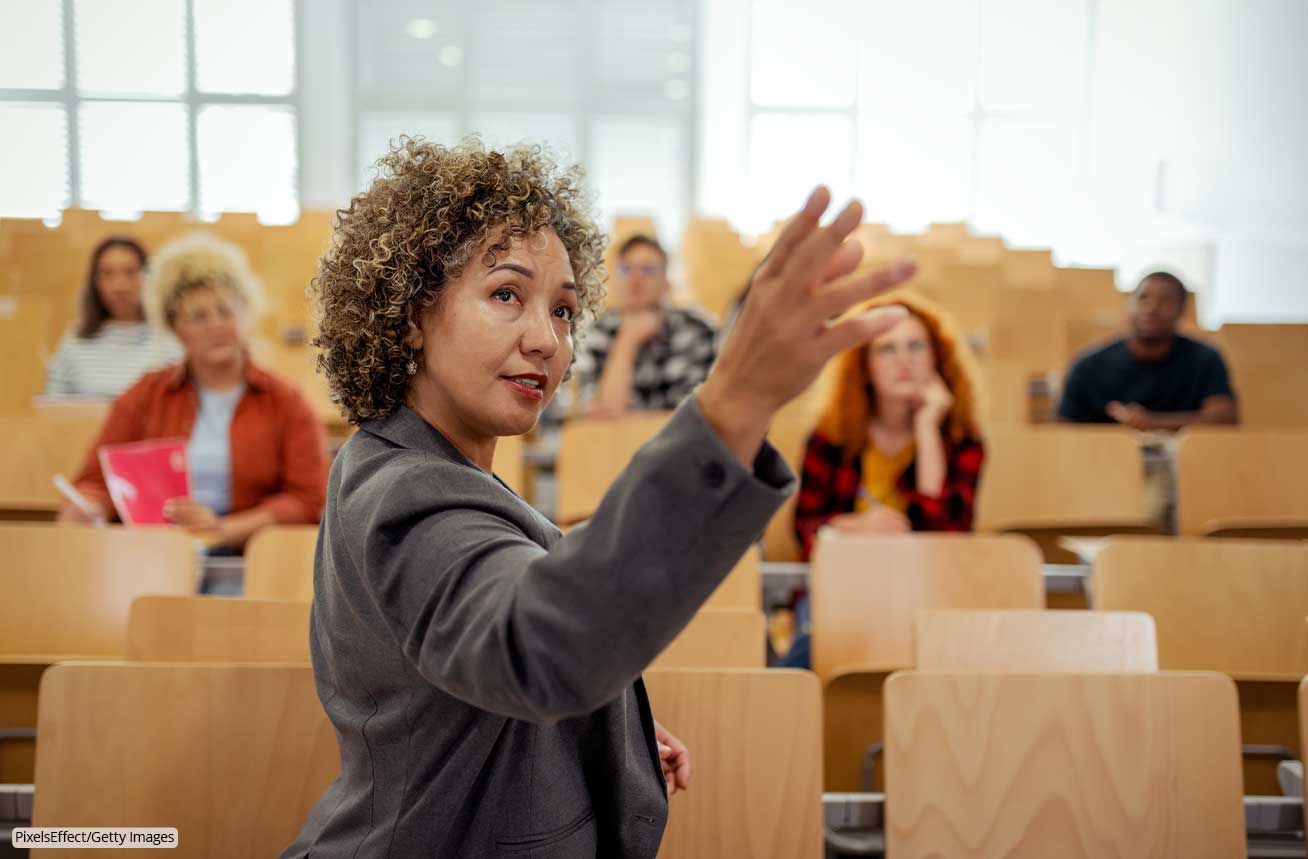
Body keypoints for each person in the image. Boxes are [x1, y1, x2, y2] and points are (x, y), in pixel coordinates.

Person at [284, 138, 915, 858]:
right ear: (409, 316)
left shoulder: (426, 467)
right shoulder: (405, 489)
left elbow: (477, 676)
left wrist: (605, 730)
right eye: (506, 294)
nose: (546, 340)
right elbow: (534, 647)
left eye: (562, 310)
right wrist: (736, 399)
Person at [58, 232, 329, 553]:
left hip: (248, 556)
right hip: (158, 552)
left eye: (225, 311)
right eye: (198, 317)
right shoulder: (144, 395)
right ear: (175, 328)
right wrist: (89, 506)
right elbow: (96, 480)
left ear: (245, 315)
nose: (215, 325)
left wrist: (222, 530)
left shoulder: (285, 401)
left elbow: (308, 498)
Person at [1056, 271, 1238, 429]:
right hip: (1104, 455)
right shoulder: (1088, 366)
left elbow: (1224, 417)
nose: (1152, 308)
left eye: (1165, 301)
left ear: (1181, 309)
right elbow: (1063, 428)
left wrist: (1154, 423)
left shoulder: (1205, 359)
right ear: (1129, 304)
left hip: (1187, 456)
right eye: (1143, 298)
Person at [572, 234, 718, 417]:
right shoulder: (596, 332)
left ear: (666, 282)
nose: (635, 280)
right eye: (625, 269)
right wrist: (627, 340)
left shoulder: (696, 329)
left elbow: (695, 416)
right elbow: (602, 415)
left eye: (647, 270)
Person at [42, 237, 182, 398]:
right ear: (95, 283)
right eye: (108, 274)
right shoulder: (74, 342)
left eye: (130, 272)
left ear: (148, 277)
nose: (119, 285)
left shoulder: (171, 341)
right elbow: (52, 405)